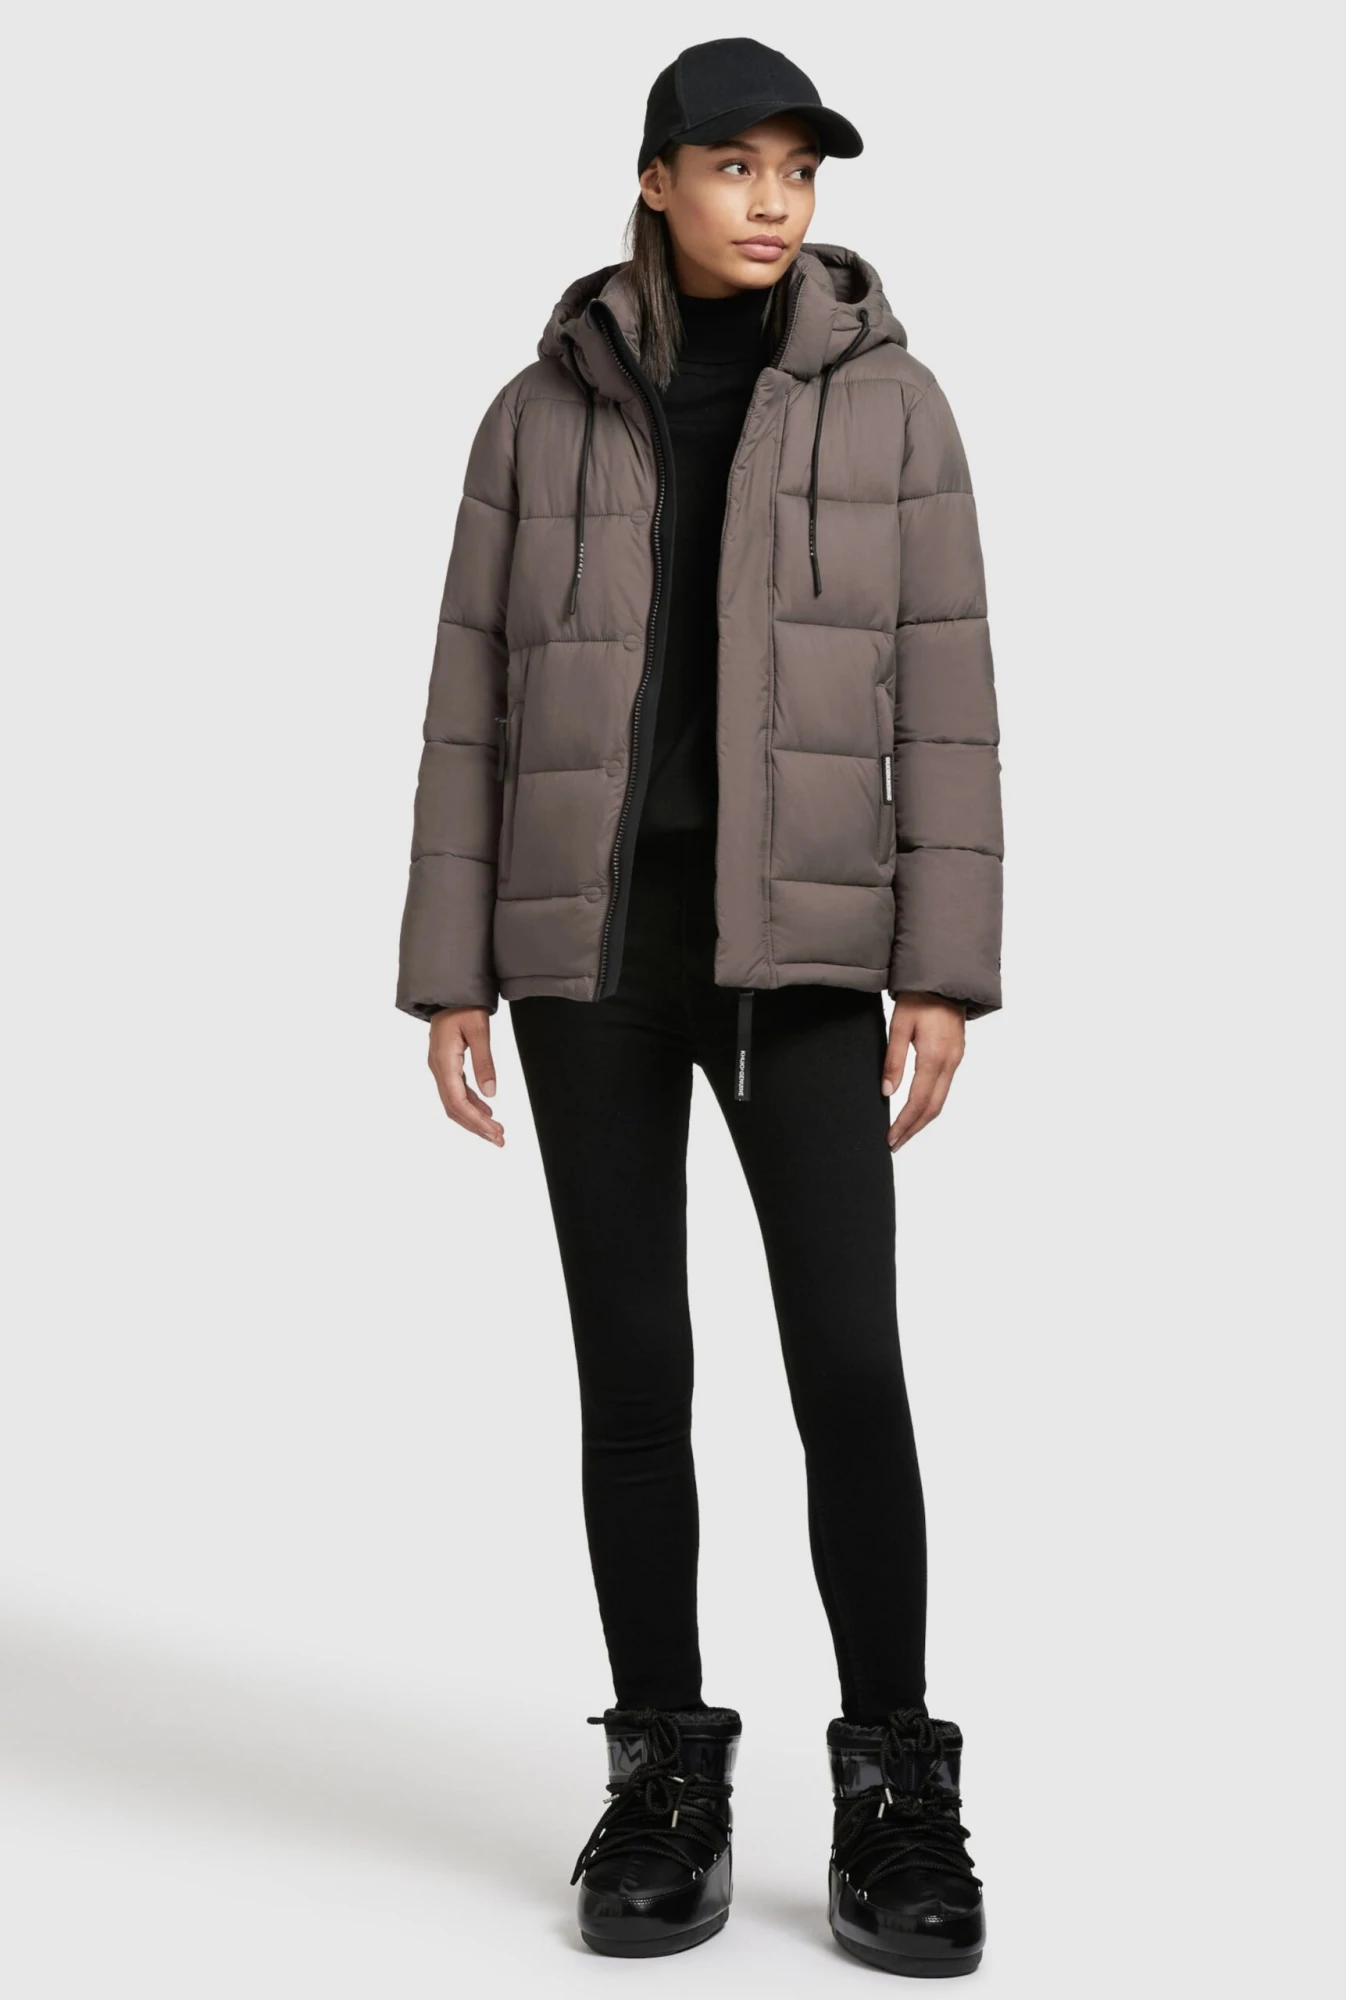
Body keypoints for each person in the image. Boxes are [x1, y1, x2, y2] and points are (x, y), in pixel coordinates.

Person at [395, 36, 1002, 1977]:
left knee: (848, 1369)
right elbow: (472, 693)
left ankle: (896, 1785)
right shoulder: (536, 414)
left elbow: (950, 690)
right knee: (633, 1375)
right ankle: (662, 1771)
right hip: (588, 955)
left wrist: (943, 964)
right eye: (734, 164)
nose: (772, 200)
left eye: (797, 171)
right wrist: (450, 964)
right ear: (656, 178)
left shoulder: (894, 405)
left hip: (804, 958)